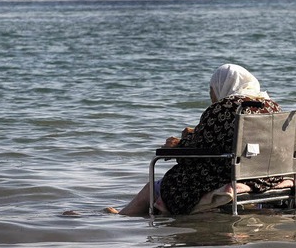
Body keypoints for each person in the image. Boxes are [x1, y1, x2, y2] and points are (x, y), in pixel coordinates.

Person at [116, 64, 286, 216]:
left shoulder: (223, 108)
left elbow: (198, 151)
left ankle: (123, 217)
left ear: (222, 85)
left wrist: (178, 146)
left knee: (157, 186)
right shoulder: (271, 106)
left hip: (231, 174)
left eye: (211, 89)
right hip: (268, 175)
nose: (211, 95)